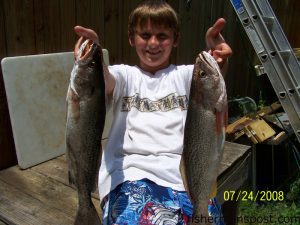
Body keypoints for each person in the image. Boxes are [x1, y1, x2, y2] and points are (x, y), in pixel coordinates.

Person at [74, 1, 232, 224]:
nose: (153, 43)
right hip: (132, 178)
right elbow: (101, 81)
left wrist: (217, 57)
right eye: (145, 35)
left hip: (189, 179)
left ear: (175, 39)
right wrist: (93, 54)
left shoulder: (187, 75)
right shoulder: (124, 75)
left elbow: (213, 85)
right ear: (131, 38)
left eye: (162, 36)